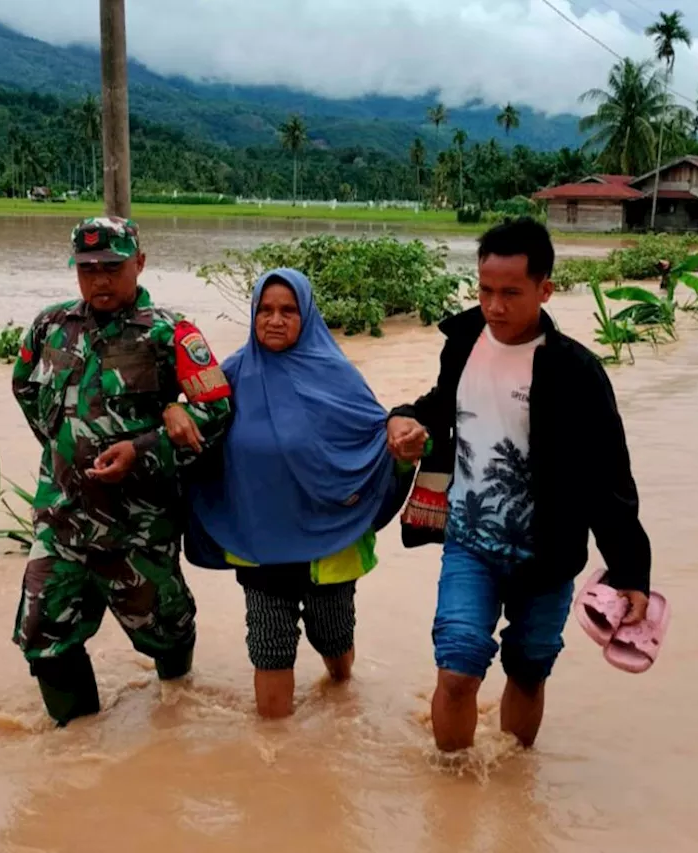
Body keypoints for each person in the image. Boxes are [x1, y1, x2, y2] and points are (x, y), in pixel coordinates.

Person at [387, 217, 652, 753]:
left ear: (544, 289)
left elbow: (609, 478)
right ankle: (453, 795)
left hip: (548, 555)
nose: (495, 307)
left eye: (511, 293)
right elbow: (443, 406)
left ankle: (513, 788)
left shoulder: (575, 372)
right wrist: (404, 419)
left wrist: (631, 571)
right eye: (486, 291)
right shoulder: (462, 340)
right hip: (469, 543)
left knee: (529, 672)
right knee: (457, 670)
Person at [11, 216, 233, 726]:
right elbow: (25, 388)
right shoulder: (50, 326)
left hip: (137, 527)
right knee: (43, 633)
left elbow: (217, 409)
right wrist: (63, 452)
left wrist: (145, 446)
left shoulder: (171, 332)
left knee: (166, 630)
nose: (100, 280)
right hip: (62, 522)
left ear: (139, 263)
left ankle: (175, 706)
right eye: (87, 269)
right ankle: (78, 743)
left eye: (112, 267)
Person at [186, 268, 416, 719]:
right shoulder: (227, 377)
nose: (275, 320)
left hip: (328, 543)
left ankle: (342, 702)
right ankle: (275, 765)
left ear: (306, 315)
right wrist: (176, 409)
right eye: (265, 310)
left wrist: (402, 444)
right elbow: (192, 421)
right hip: (261, 544)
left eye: (288, 311)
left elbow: (376, 438)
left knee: (334, 640)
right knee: (269, 649)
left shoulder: (339, 377)